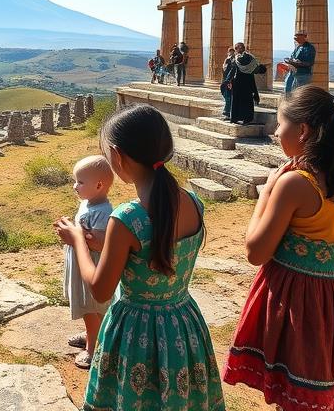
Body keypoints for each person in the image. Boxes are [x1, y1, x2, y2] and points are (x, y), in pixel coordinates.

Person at [54, 104, 224, 410]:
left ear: (117, 156)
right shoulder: (193, 202)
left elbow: (100, 289)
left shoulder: (127, 218)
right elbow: (156, 248)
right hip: (183, 325)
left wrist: (78, 240)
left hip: (136, 332)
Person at [224, 86, 334, 410]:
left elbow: (255, 252)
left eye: (280, 124)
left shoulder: (296, 183)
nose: (277, 131)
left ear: (303, 130)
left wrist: (267, 191)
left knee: (294, 396)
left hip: (298, 302)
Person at [62, 155, 114, 370]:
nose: (75, 186)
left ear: (99, 185)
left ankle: (92, 348)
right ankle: (91, 333)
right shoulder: (88, 203)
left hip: (90, 265)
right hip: (79, 261)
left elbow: (100, 244)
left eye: (80, 182)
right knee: (86, 306)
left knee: (92, 307)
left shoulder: (103, 212)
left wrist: (75, 235)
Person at [225, 43, 260, 124]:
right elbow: (255, 68)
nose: (240, 49)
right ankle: (246, 119)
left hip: (239, 81)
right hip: (247, 81)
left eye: (241, 48)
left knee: (239, 100)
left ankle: (235, 118)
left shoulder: (236, 58)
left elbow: (233, 70)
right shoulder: (251, 58)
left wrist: (228, 80)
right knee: (246, 100)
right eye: (239, 48)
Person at [284, 29, 316, 94]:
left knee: (299, 94)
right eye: (295, 35)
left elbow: (309, 63)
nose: (295, 37)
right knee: (288, 91)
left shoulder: (309, 48)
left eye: (298, 35)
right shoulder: (298, 47)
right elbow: (293, 58)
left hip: (302, 75)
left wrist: (296, 63)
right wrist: (289, 61)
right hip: (293, 73)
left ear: (304, 37)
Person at [220, 47, 236, 120]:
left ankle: (228, 114)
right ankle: (228, 113)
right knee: (228, 98)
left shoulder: (230, 60)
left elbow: (226, 70)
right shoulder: (229, 59)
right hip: (228, 81)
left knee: (229, 98)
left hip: (229, 81)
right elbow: (225, 70)